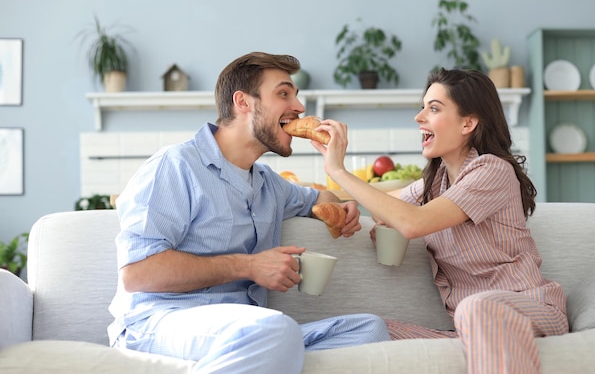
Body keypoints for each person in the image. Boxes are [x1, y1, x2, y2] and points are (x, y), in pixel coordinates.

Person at [107, 52, 390, 374]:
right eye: (284, 93)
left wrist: (338, 208)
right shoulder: (175, 165)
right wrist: (250, 266)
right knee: (274, 329)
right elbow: (138, 273)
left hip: (246, 330)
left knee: (369, 331)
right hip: (160, 322)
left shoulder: (268, 183)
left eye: (296, 95)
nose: (299, 107)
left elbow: (318, 198)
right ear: (243, 102)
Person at [313, 68, 569, 374]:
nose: (419, 117)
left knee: (477, 307)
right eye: (423, 107)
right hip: (469, 325)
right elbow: (385, 208)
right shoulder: (436, 184)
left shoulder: (492, 171)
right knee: (368, 328)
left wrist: (339, 170)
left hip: (531, 309)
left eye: (433, 108)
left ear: (468, 123)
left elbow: (412, 223)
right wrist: (333, 189)